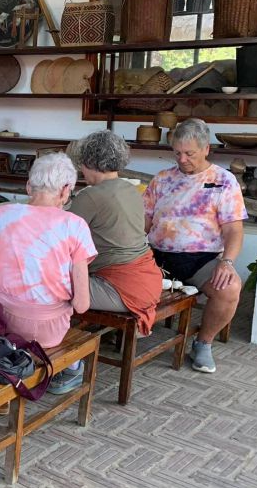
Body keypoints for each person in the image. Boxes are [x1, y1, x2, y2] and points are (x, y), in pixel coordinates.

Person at [0, 153, 96, 394]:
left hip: (2, 321)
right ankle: (70, 369)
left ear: (29, 185)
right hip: (48, 330)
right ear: (65, 191)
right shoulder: (75, 225)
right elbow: (82, 305)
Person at [144, 118, 246, 374]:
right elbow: (143, 221)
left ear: (206, 149)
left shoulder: (224, 181)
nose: (182, 159)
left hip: (201, 259)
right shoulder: (162, 179)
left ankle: (203, 343)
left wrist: (227, 262)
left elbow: (234, 229)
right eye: (177, 153)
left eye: (189, 153)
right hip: (157, 256)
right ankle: (134, 329)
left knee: (230, 288)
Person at [67, 131, 162, 335]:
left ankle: (62, 348)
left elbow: (61, 237)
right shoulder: (131, 190)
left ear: (90, 161)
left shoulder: (90, 196)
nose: (81, 170)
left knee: (44, 285)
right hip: (149, 281)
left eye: (81, 164)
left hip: (121, 287)